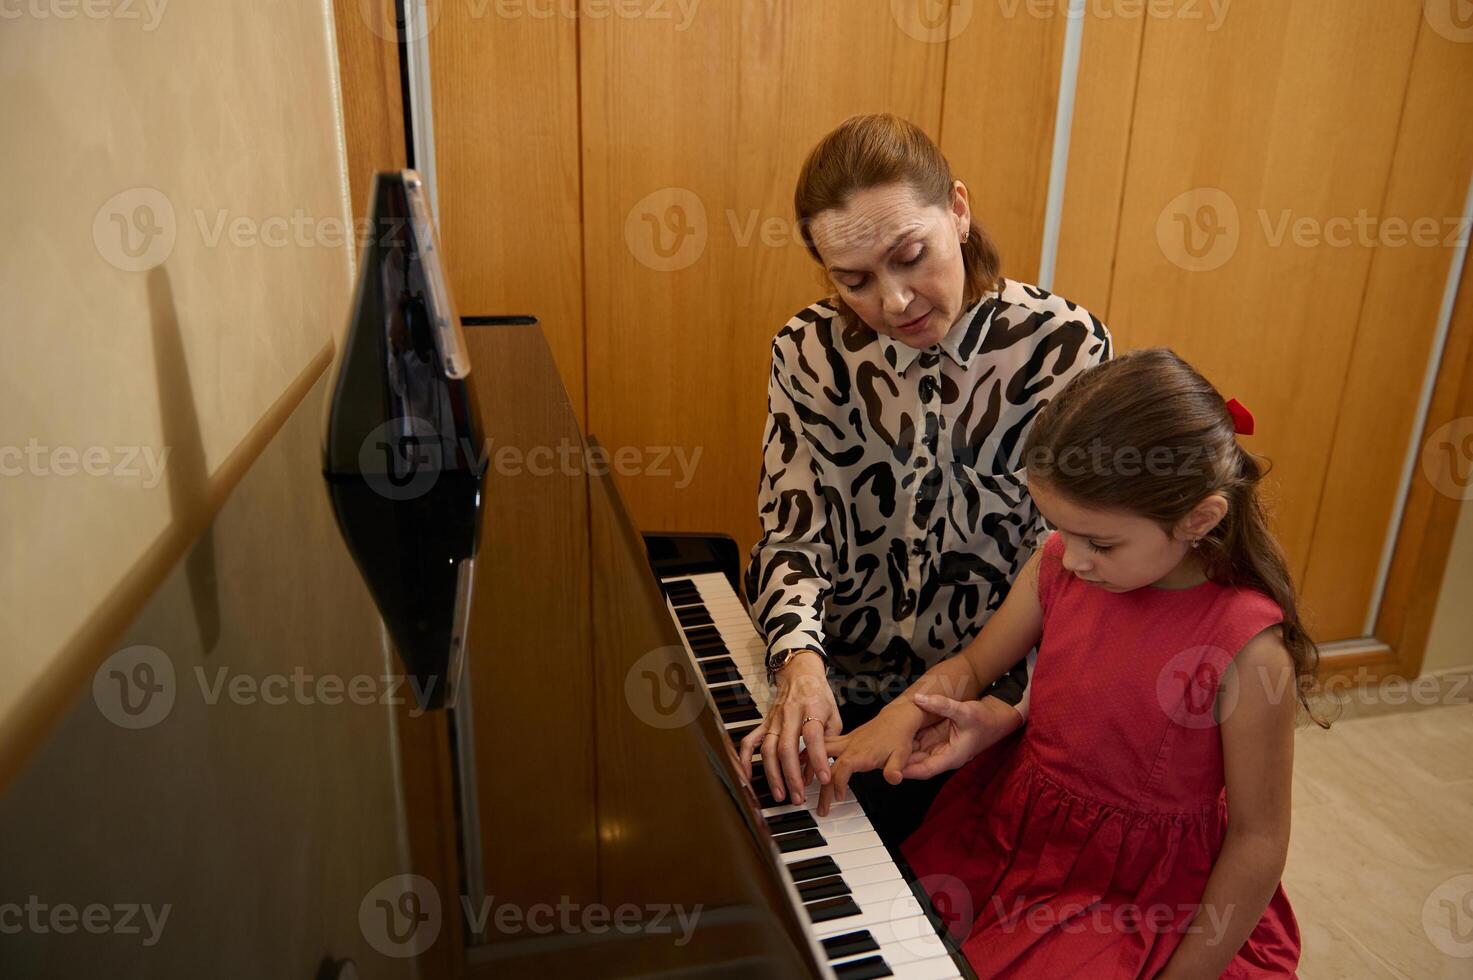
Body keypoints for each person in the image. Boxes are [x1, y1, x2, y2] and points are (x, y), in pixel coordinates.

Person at [827, 348, 1320, 978]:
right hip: (1019, 832)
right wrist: (905, 714)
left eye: (1102, 542)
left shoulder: (1248, 650)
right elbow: (975, 664)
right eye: (1061, 528)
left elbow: (1259, 840)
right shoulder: (1062, 561)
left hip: (1133, 894)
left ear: (1200, 518)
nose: (1074, 558)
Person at [739, 112, 1111, 846]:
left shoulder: (1061, 347)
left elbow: (1069, 564)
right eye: (853, 281)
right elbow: (792, 534)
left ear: (959, 212)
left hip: (994, 701)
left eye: (911, 256)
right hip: (843, 679)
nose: (894, 302)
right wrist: (800, 667)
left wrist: (945, 695)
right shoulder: (808, 351)